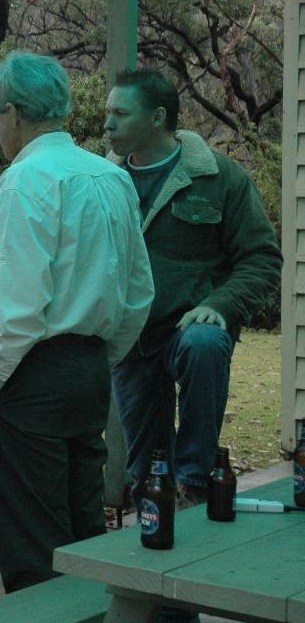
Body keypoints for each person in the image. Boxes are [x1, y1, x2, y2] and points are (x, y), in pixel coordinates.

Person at [0, 52, 153, 592]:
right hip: (89, 372)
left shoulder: (26, 179)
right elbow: (138, 292)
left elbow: (19, 308)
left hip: (30, 375)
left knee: (35, 551)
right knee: (84, 537)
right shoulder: (110, 177)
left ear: (13, 112)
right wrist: (96, 355)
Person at [104, 68, 281, 508]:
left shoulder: (219, 177)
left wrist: (221, 303)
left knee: (204, 343)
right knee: (145, 470)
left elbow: (262, 257)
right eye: (108, 113)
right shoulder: (101, 182)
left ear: (157, 118)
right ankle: (153, 524)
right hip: (131, 336)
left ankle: (196, 482)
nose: (107, 124)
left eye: (120, 114)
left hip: (189, 325)